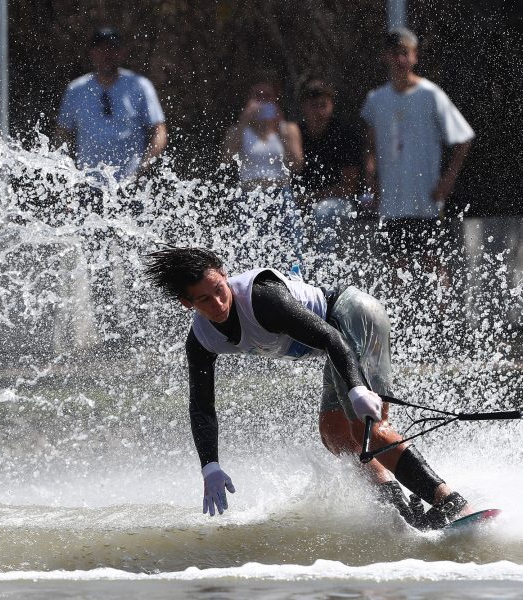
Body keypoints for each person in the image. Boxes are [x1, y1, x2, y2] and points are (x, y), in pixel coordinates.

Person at [143, 246, 474, 530]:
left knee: (367, 431)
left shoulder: (261, 298)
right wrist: (210, 465)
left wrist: (357, 389)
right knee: (335, 435)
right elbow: (201, 406)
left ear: (224, 274)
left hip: (354, 318)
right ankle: (406, 512)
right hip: (337, 345)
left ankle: (454, 505)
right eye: (203, 299)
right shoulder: (202, 340)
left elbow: (332, 338)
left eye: (219, 288)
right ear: (187, 303)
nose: (217, 302)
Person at [361, 28, 474, 273]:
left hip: (425, 199)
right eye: (394, 54)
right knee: (395, 268)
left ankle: (443, 312)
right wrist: (371, 177)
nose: (400, 60)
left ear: (414, 56)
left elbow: (463, 138)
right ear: (385, 57)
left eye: (405, 53)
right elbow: (370, 144)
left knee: (434, 266)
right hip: (392, 201)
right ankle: (394, 313)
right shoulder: (376, 99)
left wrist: (448, 180)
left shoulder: (431, 95)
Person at [56, 27, 167, 182]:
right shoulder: (76, 90)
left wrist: (144, 166)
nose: (106, 55)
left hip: (129, 185)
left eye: (111, 49)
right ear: (92, 53)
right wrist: (67, 173)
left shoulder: (140, 86)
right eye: (101, 50)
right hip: (86, 184)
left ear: (121, 53)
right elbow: (62, 133)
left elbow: (159, 131)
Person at [223, 74, 304, 266]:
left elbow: (297, 165)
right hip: (248, 196)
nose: (262, 101)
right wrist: (244, 121)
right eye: (257, 96)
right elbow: (226, 160)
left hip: (280, 195)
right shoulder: (238, 131)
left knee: (290, 251)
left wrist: (279, 128)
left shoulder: (288, 129)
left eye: (267, 96)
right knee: (248, 251)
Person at [296, 79, 363, 258]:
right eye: (313, 106)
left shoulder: (344, 135)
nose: (319, 112)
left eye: (323, 105)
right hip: (304, 200)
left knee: (323, 211)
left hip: (341, 201)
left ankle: (324, 274)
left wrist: (311, 198)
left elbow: (349, 187)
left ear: (332, 105)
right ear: (304, 107)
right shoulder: (297, 133)